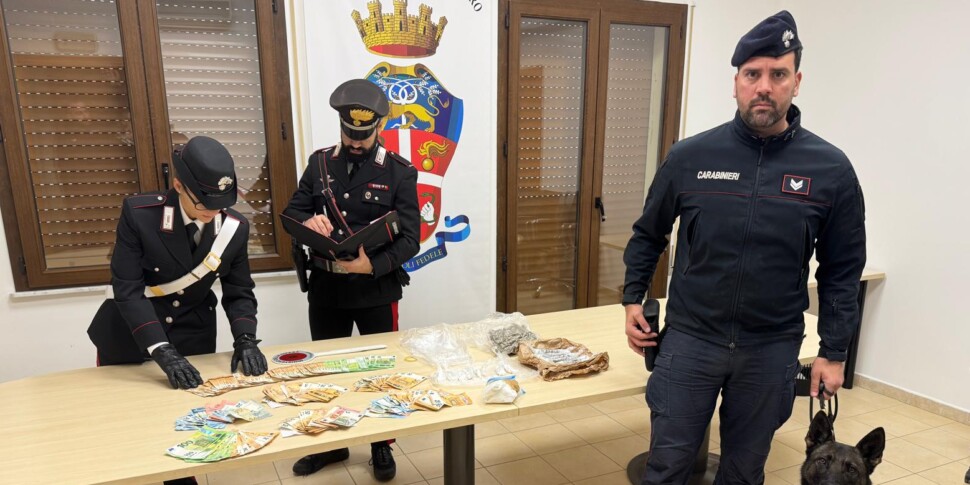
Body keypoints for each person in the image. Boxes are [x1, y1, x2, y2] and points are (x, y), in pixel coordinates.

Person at [622, 11, 866, 485]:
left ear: (797, 83)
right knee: (668, 467)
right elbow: (649, 232)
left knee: (743, 472)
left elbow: (842, 269)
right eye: (752, 74)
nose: (764, 87)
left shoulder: (831, 169)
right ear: (735, 82)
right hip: (691, 341)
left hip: (770, 349)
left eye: (778, 74)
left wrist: (833, 351)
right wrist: (633, 297)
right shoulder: (690, 157)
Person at [283, 79, 420, 481]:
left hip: (376, 288)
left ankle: (381, 445)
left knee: (381, 371)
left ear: (379, 127)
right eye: (349, 134)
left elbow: (411, 238)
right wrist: (309, 220)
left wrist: (371, 266)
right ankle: (332, 443)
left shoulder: (399, 172)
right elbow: (293, 213)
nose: (356, 142)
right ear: (341, 126)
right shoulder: (319, 164)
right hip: (327, 288)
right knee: (327, 371)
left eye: (363, 135)